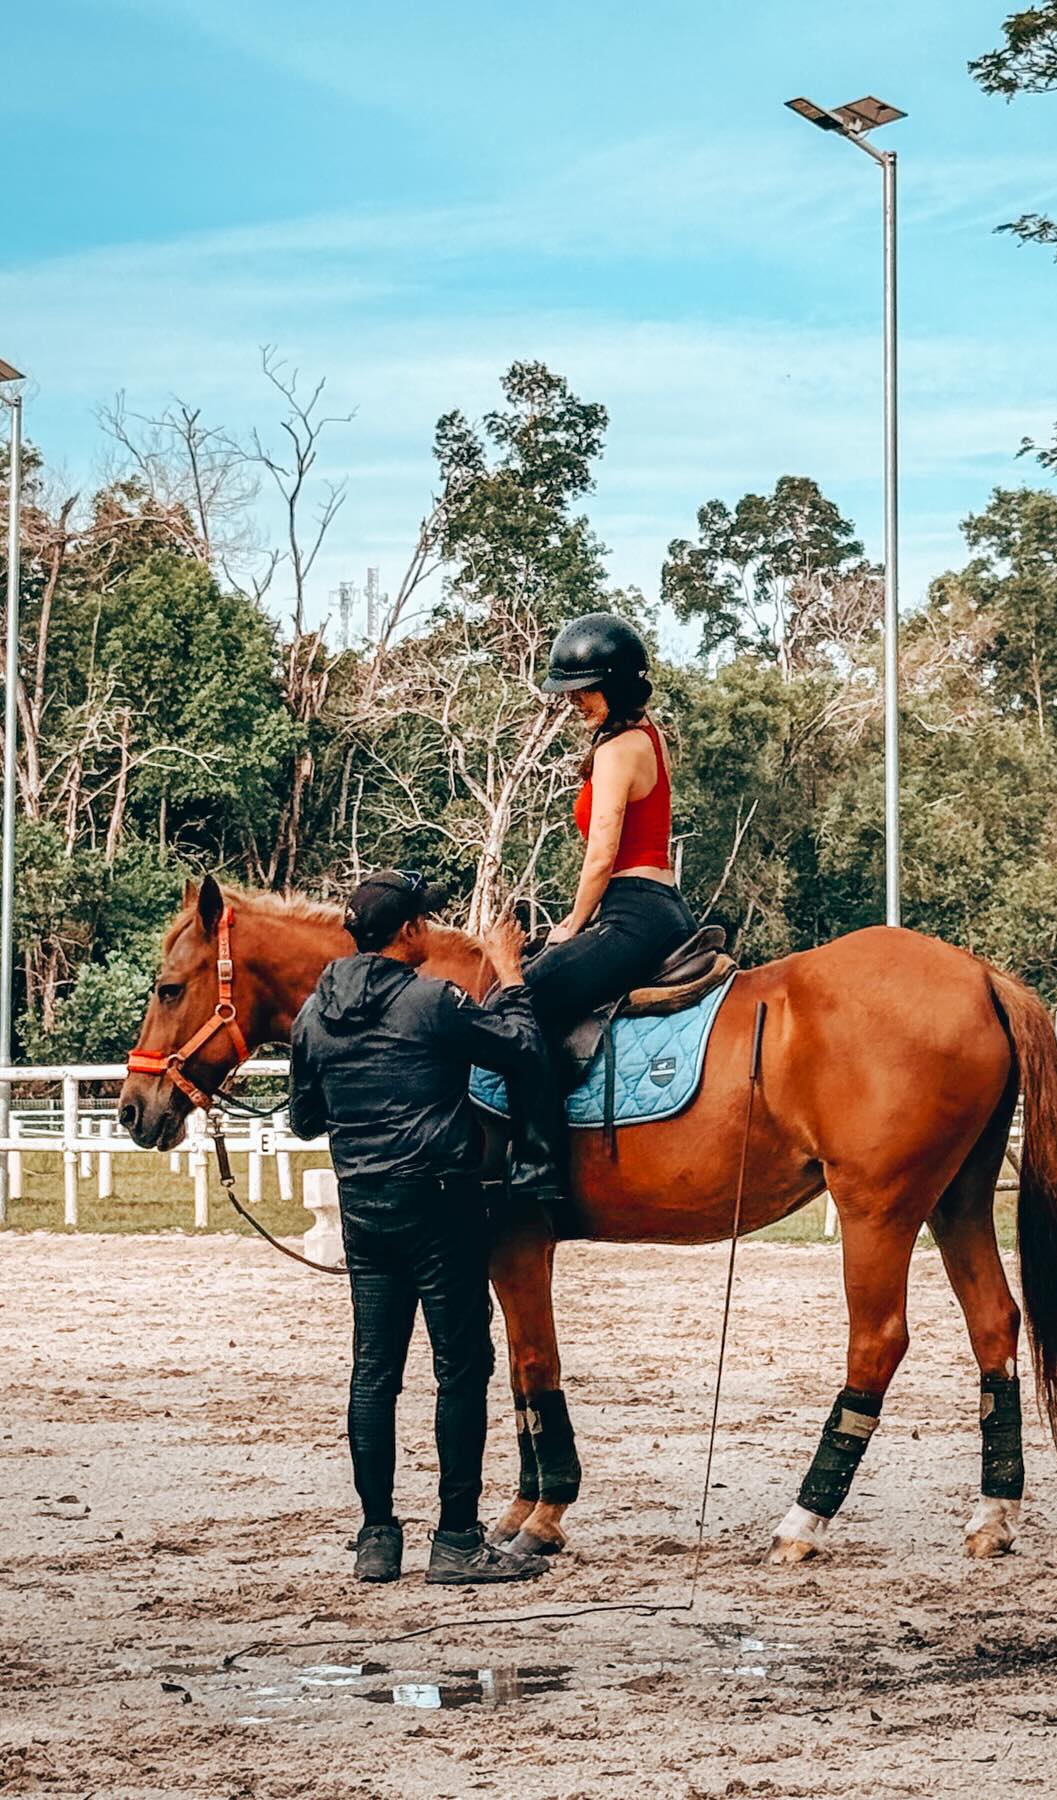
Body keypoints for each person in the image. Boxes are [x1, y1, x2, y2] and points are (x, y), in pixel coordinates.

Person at [289, 869, 550, 1587]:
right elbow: (521, 1047)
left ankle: (377, 1539)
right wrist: (510, 975)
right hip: (440, 1206)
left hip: (364, 1208)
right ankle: (457, 1540)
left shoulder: (314, 1014)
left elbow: (305, 1119)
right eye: (424, 922)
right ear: (407, 932)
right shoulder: (432, 1001)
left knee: (374, 1374)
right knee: (460, 1368)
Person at [529, 611, 697, 1035]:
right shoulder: (651, 736)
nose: (573, 700)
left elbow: (602, 856)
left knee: (524, 995)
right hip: (665, 907)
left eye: (584, 689)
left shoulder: (616, 751)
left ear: (616, 686)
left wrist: (573, 924)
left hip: (634, 914)